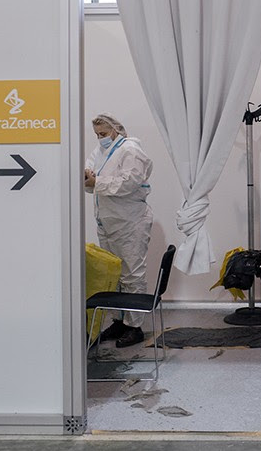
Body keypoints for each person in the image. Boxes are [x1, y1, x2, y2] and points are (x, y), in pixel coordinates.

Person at [85, 113, 153, 348]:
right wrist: (86, 178)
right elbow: (90, 175)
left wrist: (97, 183)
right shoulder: (100, 151)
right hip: (108, 222)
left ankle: (135, 327)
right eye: (97, 135)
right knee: (114, 275)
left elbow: (130, 181)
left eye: (103, 134)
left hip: (130, 222)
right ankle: (119, 321)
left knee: (132, 275)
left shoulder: (130, 150)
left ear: (116, 130)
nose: (100, 138)